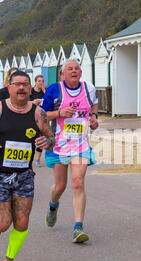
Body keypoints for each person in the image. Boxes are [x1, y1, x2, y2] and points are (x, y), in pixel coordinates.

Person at [0, 70, 55, 261]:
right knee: (3, 222)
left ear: (30, 88)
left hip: (24, 174)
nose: (21, 88)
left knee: (22, 222)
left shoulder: (38, 114)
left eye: (25, 84)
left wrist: (46, 142)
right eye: (17, 84)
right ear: (8, 87)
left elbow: (51, 137)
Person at [41, 59, 99, 243]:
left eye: (77, 68)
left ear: (81, 73)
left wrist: (94, 118)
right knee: (60, 186)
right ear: (62, 74)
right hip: (58, 145)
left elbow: (94, 104)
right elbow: (40, 115)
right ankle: (52, 205)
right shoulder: (54, 90)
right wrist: (59, 113)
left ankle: (78, 227)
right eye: (70, 69)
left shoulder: (89, 88)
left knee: (77, 182)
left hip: (80, 145)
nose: (74, 71)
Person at [31, 75, 46, 167]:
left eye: (42, 81)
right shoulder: (30, 91)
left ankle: (37, 159)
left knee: (41, 138)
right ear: (35, 82)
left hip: (42, 117)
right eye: (39, 81)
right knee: (31, 137)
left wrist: (45, 91)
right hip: (31, 116)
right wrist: (33, 102)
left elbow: (50, 101)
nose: (41, 83)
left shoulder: (45, 92)